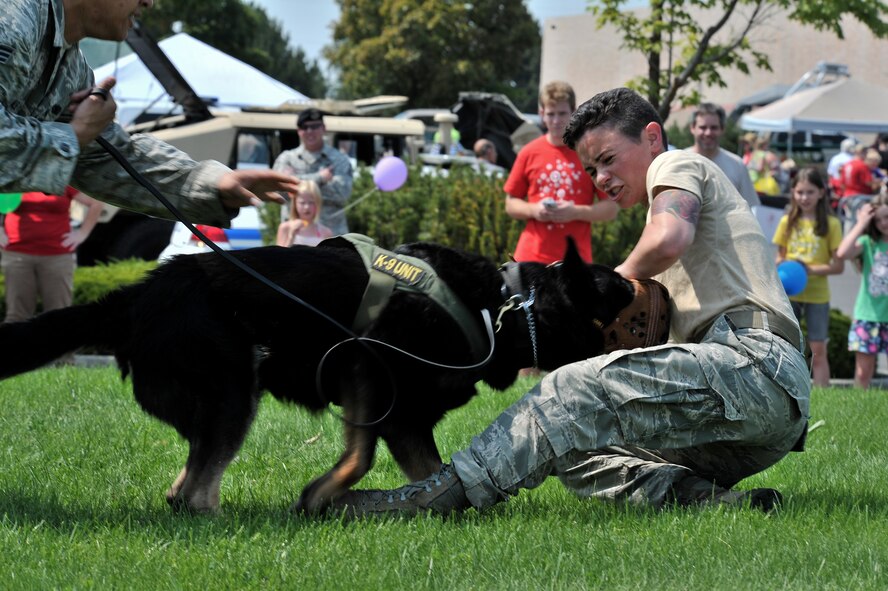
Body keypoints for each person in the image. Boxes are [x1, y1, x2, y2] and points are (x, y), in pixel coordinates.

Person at [330, 87, 810, 517]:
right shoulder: (668, 199)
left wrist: (618, 281)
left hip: (754, 365)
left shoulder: (677, 164)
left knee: (565, 390)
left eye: (607, 158)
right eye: (589, 168)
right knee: (576, 447)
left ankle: (435, 496)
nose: (599, 177)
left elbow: (669, 237)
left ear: (651, 137)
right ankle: (712, 501)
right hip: (757, 424)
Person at [1, 0, 299, 228]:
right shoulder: (12, 21)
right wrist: (74, 136)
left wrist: (213, 184)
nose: (149, 2)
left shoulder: (69, 64)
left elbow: (107, 156)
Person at [503, 81, 618, 264]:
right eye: (551, 114)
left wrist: (575, 212)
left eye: (562, 113)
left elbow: (611, 209)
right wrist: (534, 209)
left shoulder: (588, 153)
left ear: (574, 111)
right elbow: (511, 204)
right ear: (542, 114)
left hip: (575, 262)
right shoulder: (529, 152)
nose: (556, 121)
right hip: (531, 258)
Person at [772, 167, 844, 387]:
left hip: (817, 296)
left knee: (818, 349)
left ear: (822, 193)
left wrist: (808, 270)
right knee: (785, 346)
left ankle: (823, 391)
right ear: (793, 192)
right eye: (800, 192)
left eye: (810, 192)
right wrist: (787, 266)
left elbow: (838, 267)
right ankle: (787, 390)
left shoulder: (831, 225)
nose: (804, 197)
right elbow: (778, 259)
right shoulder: (787, 222)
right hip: (789, 295)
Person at [1, 187, 103, 324]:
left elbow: (96, 203)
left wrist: (82, 234)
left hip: (57, 257)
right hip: (17, 254)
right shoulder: (19, 179)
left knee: (59, 314)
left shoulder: (61, 180)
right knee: (16, 316)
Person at [273, 108, 354, 236]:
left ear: (323, 128)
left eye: (315, 126)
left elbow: (342, 193)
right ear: (299, 131)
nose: (310, 131)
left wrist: (294, 181)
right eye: (304, 127)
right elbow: (278, 191)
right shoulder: (287, 158)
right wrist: (320, 178)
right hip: (294, 236)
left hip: (331, 235)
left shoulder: (339, 159)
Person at [837, 193, 888, 388]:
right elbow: (842, 253)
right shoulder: (868, 243)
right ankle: (860, 405)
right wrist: (861, 223)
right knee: (863, 372)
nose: (884, 223)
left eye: (887, 217)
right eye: (878, 219)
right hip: (868, 316)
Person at [686, 103, 760, 209]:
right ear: (692, 128)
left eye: (714, 128)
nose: (708, 133)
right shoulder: (680, 161)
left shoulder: (737, 165)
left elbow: (750, 207)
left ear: (722, 129)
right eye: (703, 127)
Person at [275, 180, 333, 247]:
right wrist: (291, 235)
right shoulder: (285, 228)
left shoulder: (326, 232)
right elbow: (279, 256)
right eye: (302, 203)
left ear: (318, 203)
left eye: (311, 202)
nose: (307, 207)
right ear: (295, 203)